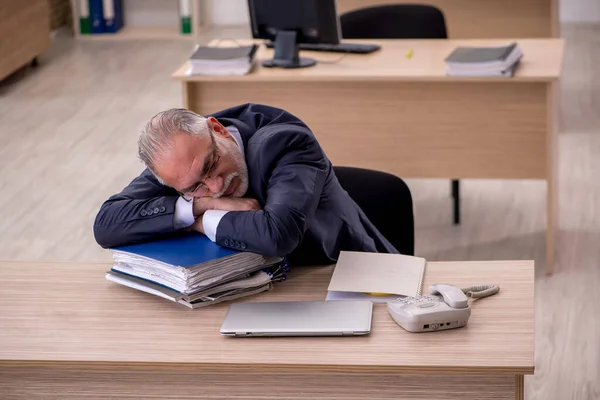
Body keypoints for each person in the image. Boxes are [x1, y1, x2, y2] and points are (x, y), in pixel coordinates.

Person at [93, 103, 412, 265]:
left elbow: (278, 234)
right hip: (255, 284)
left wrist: (198, 221)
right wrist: (200, 209)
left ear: (217, 129)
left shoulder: (286, 141)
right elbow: (106, 225)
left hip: (340, 274)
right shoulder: (180, 164)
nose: (216, 187)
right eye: (195, 188)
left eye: (211, 165)